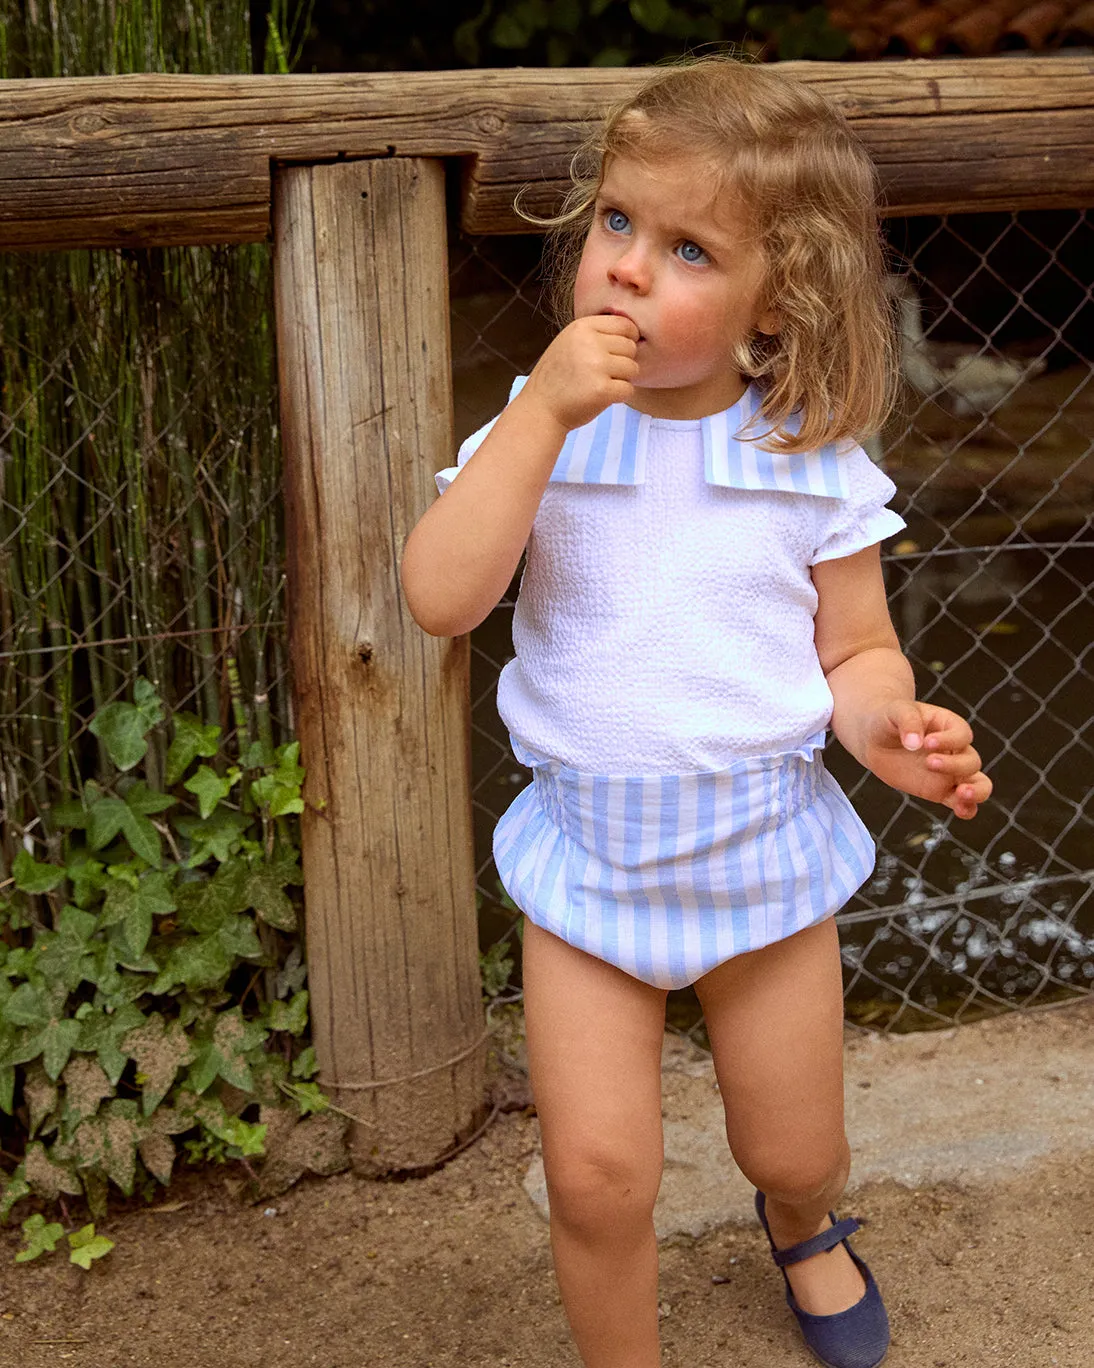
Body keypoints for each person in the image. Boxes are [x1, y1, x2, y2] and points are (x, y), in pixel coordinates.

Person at [400, 56, 991, 1368]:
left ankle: (804, 1223)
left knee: (795, 1143)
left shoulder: (809, 466)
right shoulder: (536, 433)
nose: (623, 265)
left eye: (683, 247)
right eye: (615, 221)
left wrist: (888, 732)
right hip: (590, 871)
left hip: (763, 867)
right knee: (598, 1179)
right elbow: (440, 598)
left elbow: (855, 654)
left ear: (773, 301)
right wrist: (539, 418)